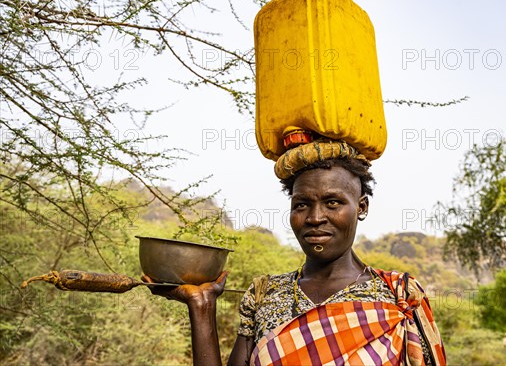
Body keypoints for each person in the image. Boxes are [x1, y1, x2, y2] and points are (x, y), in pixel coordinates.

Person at [145, 142, 446, 366]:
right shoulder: (264, 294)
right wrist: (201, 305)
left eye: (332, 203)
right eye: (301, 204)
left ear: (362, 207)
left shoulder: (399, 296)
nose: (315, 217)